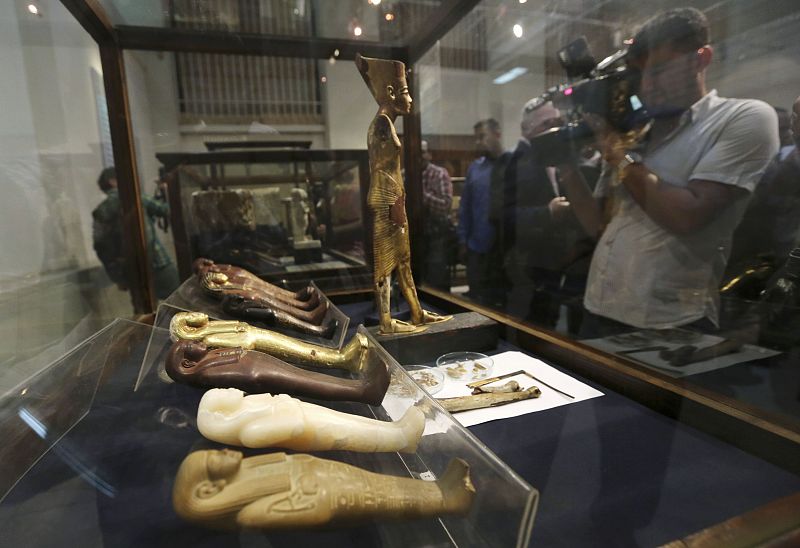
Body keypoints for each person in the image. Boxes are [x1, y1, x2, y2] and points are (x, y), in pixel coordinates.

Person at [558, 7, 779, 336]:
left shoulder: (743, 117)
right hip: (599, 308)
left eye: (659, 70)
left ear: (701, 58)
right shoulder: (637, 134)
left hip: (669, 322)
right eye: (641, 74)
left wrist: (615, 151)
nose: (647, 85)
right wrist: (564, 166)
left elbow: (686, 216)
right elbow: (597, 227)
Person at [498, 98, 573, 327]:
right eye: (546, 124)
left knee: (548, 322)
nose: (554, 130)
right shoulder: (513, 161)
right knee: (528, 327)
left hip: (552, 261)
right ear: (527, 129)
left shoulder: (552, 157)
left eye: (558, 122)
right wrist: (546, 213)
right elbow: (503, 216)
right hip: (526, 264)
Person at [92, 167, 180, 300]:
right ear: (112, 181)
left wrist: (118, 277)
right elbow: (167, 210)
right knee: (180, 301)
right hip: (157, 262)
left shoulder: (101, 211)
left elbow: (100, 244)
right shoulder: (136, 198)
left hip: (130, 269)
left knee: (144, 310)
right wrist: (166, 190)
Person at [458, 118, 508, 306]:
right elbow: (465, 207)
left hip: (504, 250)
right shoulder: (475, 169)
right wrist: (463, 240)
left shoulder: (512, 164)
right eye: (476, 138)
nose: (478, 142)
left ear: (497, 134)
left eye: (482, 137)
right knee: (477, 302)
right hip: (477, 247)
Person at [420, 139, 455, 290]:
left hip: (436, 236)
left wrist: (419, 193)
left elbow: (445, 205)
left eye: (422, 152)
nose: (418, 156)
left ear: (429, 154)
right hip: (414, 236)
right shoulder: (404, 173)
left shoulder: (439, 173)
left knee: (437, 280)